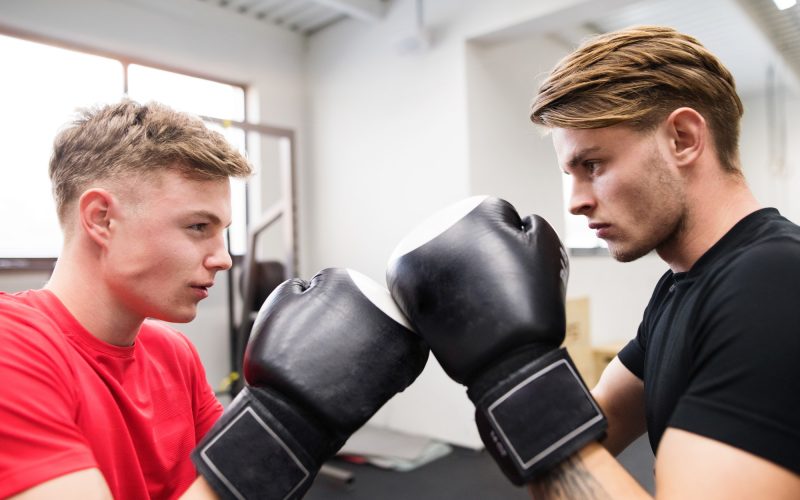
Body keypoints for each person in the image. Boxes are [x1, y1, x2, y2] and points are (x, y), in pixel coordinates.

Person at [387, 25, 800, 499]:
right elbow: (594, 431)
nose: (577, 203)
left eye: (594, 165)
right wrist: (509, 371)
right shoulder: (680, 288)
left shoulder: (775, 283)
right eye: (570, 174)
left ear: (683, 139)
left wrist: (513, 376)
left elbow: (566, 452)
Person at [0, 99, 429, 500]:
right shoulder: (12, 349)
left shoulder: (174, 354)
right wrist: (287, 423)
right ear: (102, 218)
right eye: (197, 227)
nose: (223, 259)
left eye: (222, 231)